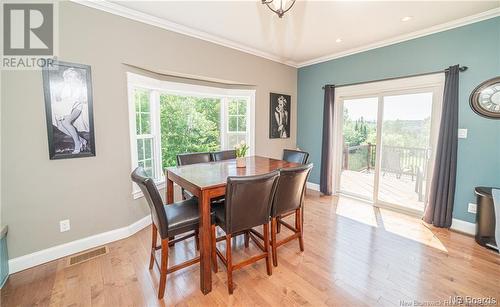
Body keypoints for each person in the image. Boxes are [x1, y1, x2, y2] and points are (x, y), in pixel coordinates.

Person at [51, 68, 89, 154]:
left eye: (73, 76)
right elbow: (58, 98)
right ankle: (81, 140)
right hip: (65, 106)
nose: (71, 78)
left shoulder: (80, 86)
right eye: (69, 76)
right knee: (60, 126)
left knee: (66, 123)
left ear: (76, 77)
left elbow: (83, 99)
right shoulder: (63, 86)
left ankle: (77, 144)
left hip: (76, 106)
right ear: (66, 77)